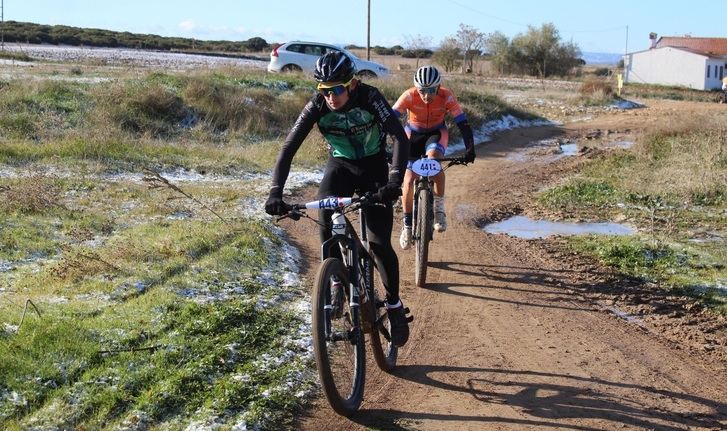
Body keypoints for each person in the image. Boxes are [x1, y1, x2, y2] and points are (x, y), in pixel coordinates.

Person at [264, 51, 412, 347]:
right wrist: (275, 191)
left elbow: (400, 137)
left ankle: (394, 305)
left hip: (374, 169)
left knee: (380, 243)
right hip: (340, 166)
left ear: (352, 84)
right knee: (326, 216)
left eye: (337, 89)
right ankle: (334, 279)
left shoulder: (370, 97)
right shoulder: (317, 105)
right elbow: (288, 148)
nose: (331, 96)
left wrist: (395, 181)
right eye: (324, 90)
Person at [392, 65, 476, 250]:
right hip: (413, 133)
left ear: (438, 87)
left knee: (433, 162)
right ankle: (407, 226)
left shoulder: (447, 95)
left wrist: (470, 147)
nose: (426, 95)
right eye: (422, 90)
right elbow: (389, 119)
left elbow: (462, 123)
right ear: (416, 88)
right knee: (408, 180)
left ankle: (439, 210)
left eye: (431, 90)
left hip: (436, 134)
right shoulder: (409, 95)